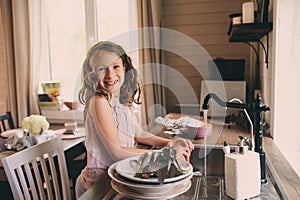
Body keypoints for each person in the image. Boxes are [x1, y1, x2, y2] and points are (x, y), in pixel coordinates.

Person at [75, 41, 194, 198]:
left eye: (115, 66)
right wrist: (167, 155)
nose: (110, 75)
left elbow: (138, 133)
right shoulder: (99, 102)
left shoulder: (121, 98)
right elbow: (116, 152)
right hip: (98, 185)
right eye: (102, 69)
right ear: (92, 73)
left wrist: (169, 143)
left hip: (121, 175)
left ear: (125, 68)